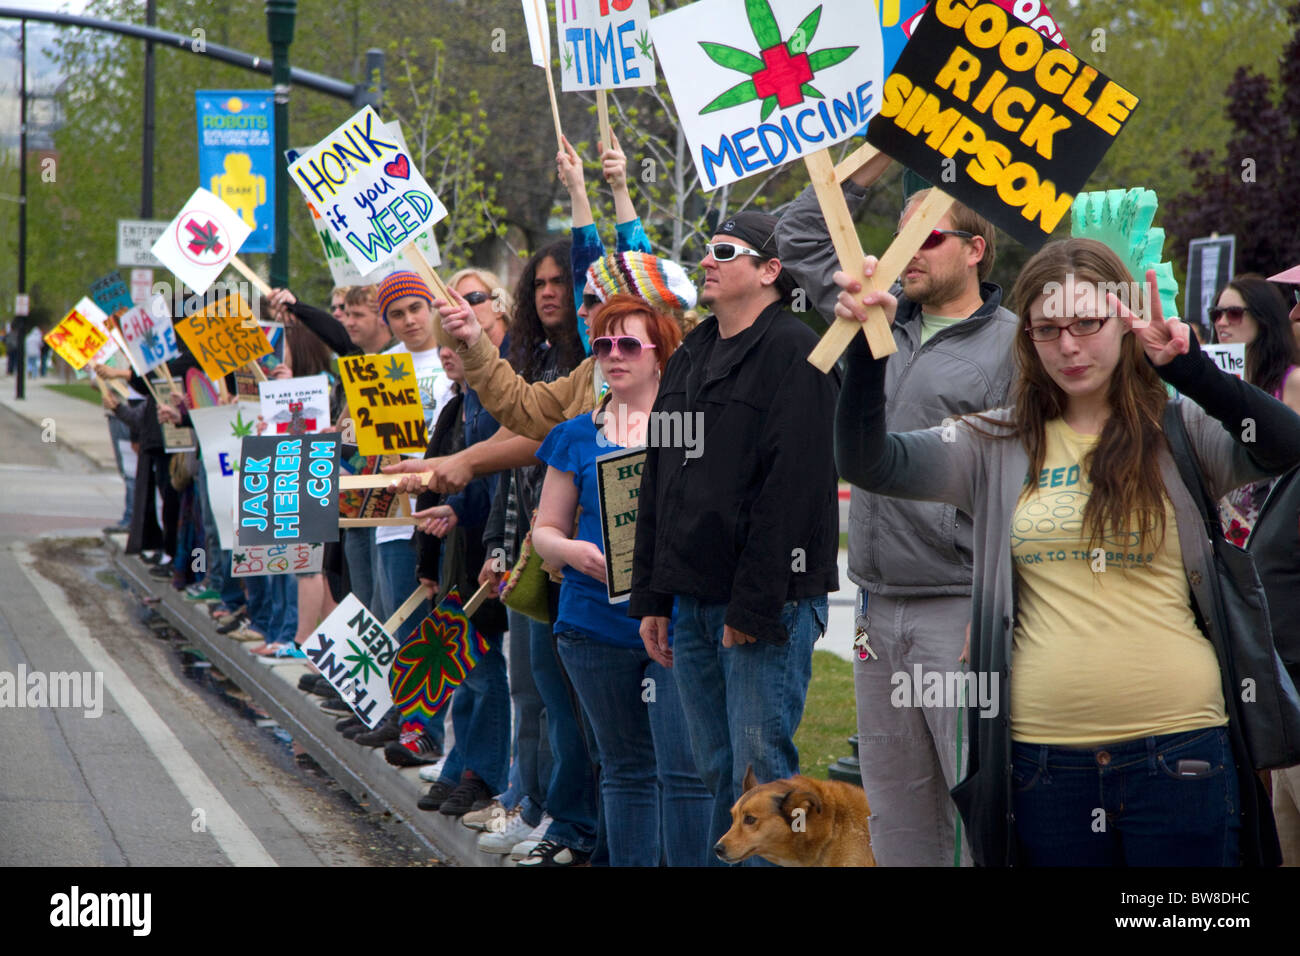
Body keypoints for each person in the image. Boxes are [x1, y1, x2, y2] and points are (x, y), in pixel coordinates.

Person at [834, 237, 1300, 866]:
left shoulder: (1180, 429)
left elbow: (1284, 446)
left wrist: (1191, 370)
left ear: (1125, 319)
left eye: (1088, 323)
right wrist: (868, 348)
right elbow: (870, 462)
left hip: (1182, 753)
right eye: (1048, 329)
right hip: (1042, 766)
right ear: (1026, 338)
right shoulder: (991, 441)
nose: (1070, 345)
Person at [778, 164, 1016, 866]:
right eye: (902, 232)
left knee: (978, 804)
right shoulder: (870, 317)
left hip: (960, 612)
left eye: (929, 235)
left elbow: (1021, 483)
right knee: (897, 809)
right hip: (876, 613)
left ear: (975, 250)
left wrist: (994, 604)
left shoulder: (1014, 345)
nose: (908, 249)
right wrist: (877, 154)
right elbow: (796, 231)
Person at [631, 211, 839, 863]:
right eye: (705, 248)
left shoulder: (797, 351)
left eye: (725, 250)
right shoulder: (692, 352)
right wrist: (654, 597)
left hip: (764, 605)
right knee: (723, 781)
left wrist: (752, 606)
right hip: (691, 600)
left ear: (770, 271)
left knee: (765, 783)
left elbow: (794, 492)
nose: (708, 260)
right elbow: (659, 477)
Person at [532, 295, 712, 866]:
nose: (613, 355)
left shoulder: (692, 431)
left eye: (628, 343)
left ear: (661, 354)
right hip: (592, 623)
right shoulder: (574, 436)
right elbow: (545, 531)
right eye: (602, 344)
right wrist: (573, 551)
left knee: (685, 771)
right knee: (625, 769)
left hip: (678, 623)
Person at [410, 340, 509, 817]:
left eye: (471, 336)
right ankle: (461, 766)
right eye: (446, 339)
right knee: (465, 670)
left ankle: (485, 775)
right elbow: (446, 483)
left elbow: (492, 482)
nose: (451, 349)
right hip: (459, 553)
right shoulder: (458, 407)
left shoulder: (496, 406)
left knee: (486, 671)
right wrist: (428, 562)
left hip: (490, 552)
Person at [1210, 275, 1300, 546]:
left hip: (1274, 531)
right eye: (1216, 314)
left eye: (1234, 313)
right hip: (1223, 533)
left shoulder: (1291, 381)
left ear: (1263, 318)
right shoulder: (1215, 382)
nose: (1222, 322)